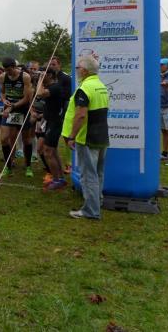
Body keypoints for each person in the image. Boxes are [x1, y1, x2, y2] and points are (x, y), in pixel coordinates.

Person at [63, 55, 109, 219]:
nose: (76, 70)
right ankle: (97, 201)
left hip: (87, 137)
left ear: (84, 70)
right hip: (102, 135)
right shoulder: (101, 86)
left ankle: (91, 210)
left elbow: (81, 115)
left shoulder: (85, 88)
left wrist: (71, 136)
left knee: (89, 175)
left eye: (77, 68)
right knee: (98, 173)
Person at [0, 57, 35, 177]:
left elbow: (26, 98)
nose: (8, 72)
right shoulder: (2, 77)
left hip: (22, 109)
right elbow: (2, 92)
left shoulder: (25, 77)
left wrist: (12, 107)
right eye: (6, 70)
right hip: (9, 109)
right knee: (4, 139)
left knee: (26, 139)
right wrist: (4, 100)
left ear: (14, 67)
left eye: (9, 70)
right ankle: (8, 167)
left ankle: (28, 166)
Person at [37, 70, 68, 191]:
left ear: (49, 75)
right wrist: (43, 121)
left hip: (55, 123)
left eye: (43, 74)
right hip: (49, 121)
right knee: (53, 151)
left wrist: (40, 79)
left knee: (48, 151)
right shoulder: (51, 87)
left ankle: (56, 180)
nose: (40, 76)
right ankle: (60, 178)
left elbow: (39, 94)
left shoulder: (55, 87)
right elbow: (48, 106)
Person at [48, 56, 73, 174]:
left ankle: (70, 163)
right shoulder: (48, 77)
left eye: (54, 64)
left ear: (59, 65)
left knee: (67, 136)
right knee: (52, 139)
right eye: (50, 64)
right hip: (52, 112)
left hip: (64, 110)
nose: (52, 66)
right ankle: (55, 163)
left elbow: (67, 96)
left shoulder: (66, 78)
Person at [159, 58, 168, 162]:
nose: (160, 66)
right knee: (164, 131)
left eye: (162, 65)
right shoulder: (159, 75)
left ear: (167, 65)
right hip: (160, 106)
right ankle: (165, 153)